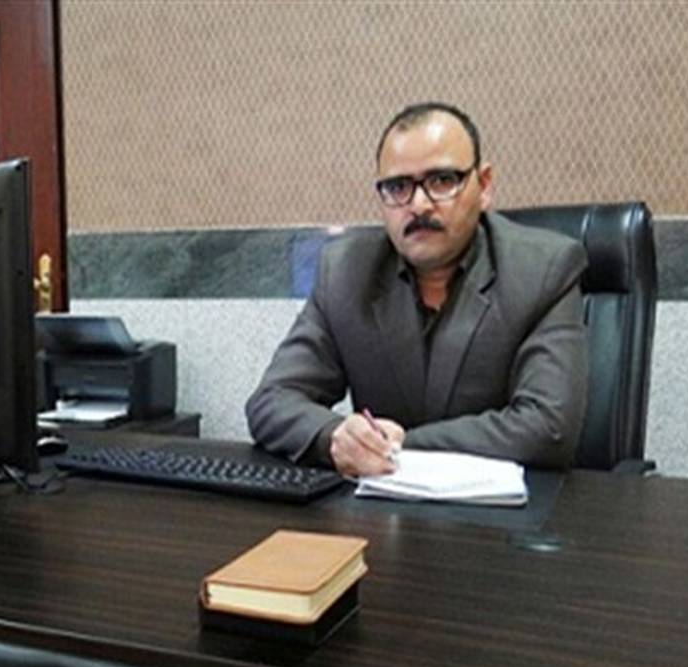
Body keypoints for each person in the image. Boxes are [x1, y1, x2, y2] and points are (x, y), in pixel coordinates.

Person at [245, 102, 588, 477]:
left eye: (442, 180)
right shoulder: (345, 272)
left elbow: (548, 428)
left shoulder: (542, 270)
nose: (419, 205)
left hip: (501, 509)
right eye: (398, 187)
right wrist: (335, 437)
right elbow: (271, 400)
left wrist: (398, 446)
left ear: (484, 185)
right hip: (378, 507)